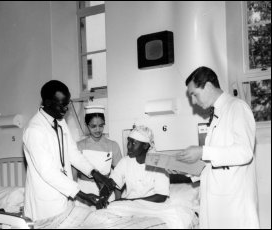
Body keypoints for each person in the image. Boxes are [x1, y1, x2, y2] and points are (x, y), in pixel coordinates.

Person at [175, 66, 259, 228]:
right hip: (218, 203)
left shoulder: (237, 107)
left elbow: (244, 152)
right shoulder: (217, 116)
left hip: (233, 205)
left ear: (207, 86)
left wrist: (202, 151)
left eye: (194, 94)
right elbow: (216, 162)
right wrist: (186, 168)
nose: (193, 101)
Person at [23, 80, 116, 221]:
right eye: (62, 105)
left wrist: (95, 174)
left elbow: (73, 153)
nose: (66, 109)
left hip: (64, 198)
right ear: (47, 103)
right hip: (46, 202)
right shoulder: (34, 130)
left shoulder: (60, 121)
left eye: (67, 104)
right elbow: (47, 171)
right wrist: (83, 195)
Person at [72, 105, 122, 207]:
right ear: (87, 126)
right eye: (93, 126)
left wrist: (118, 200)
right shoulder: (79, 146)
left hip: (106, 192)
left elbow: (120, 175)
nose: (98, 129)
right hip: (84, 192)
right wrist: (73, 199)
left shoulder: (112, 145)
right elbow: (73, 177)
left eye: (101, 125)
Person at [110, 125, 170, 203]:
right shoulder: (125, 161)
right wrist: (117, 201)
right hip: (128, 206)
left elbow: (161, 197)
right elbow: (114, 182)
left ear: (145, 145)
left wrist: (128, 201)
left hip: (152, 206)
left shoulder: (158, 164)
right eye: (128, 142)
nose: (129, 146)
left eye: (134, 143)